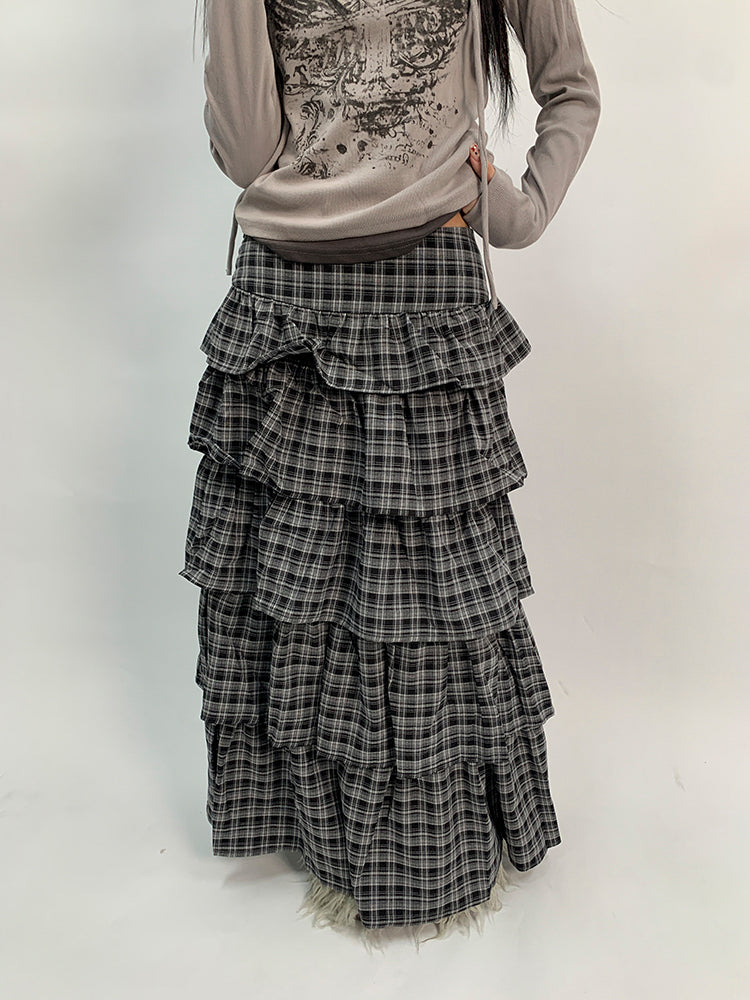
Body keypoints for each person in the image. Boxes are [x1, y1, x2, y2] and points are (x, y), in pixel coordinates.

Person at [180, 0, 601, 946]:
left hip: (414, 290)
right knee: (295, 596)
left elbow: (570, 88)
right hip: (289, 295)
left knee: (419, 608)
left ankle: (412, 862)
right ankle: (310, 838)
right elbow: (249, 151)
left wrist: (515, 209)